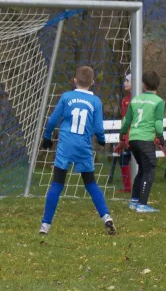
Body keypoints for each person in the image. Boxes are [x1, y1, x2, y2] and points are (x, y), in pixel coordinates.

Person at [39, 66, 116, 236]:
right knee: (90, 184)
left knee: (57, 184)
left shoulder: (66, 97)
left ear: (75, 80)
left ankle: (45, 225)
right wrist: (102, 140)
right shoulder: (95, 101)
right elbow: (97, 127)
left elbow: (52, 120)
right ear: (92, 83)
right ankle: (106, 217)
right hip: (83, 147)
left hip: (66, 146)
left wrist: (47, 137)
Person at [118, 71, 166, 213]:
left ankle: (134, 201)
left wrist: (122, 136)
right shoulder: (158, 101)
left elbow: (127, 120)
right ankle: (142, 205)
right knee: (150, 170)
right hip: (145, 140)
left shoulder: (135, 100)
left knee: (142, 169)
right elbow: (158, 122)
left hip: (133, 140)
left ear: (143, 85)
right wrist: (161, 137)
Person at [114, 74, 132, 193]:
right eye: (124, 80)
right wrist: (124, 138)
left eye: (127, 81)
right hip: (128, 137)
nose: (124, 83)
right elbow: (125, 120)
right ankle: (128, 187)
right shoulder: (125, 100)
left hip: (140, 137)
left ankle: (139, 186)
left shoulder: (141, 99)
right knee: (123, 160)